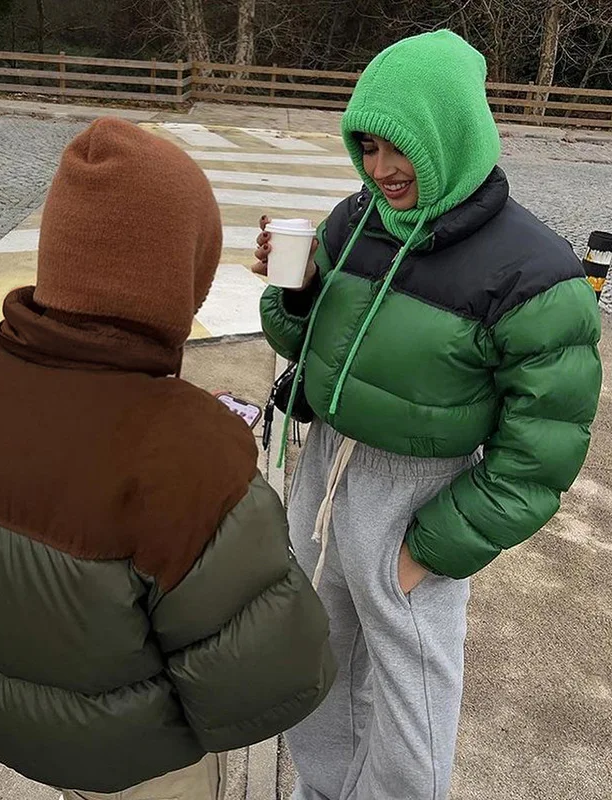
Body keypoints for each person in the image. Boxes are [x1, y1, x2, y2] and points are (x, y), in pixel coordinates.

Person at [0, 118, 336, 799]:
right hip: (142, 765)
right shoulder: (192, 451)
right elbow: (268, 685)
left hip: (12, 733)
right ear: (178, 275)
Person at [253, 30, 602, 800]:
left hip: (415, 498)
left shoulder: (536, 275)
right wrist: (296, 291)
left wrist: (435, 545)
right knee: (316, 657)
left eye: (400, 148)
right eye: (368, 146)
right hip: (324, 471)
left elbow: (542, 452)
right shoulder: (355, 219)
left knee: (410, 697)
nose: (380, 169)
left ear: (452, 133)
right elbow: (302, 346)